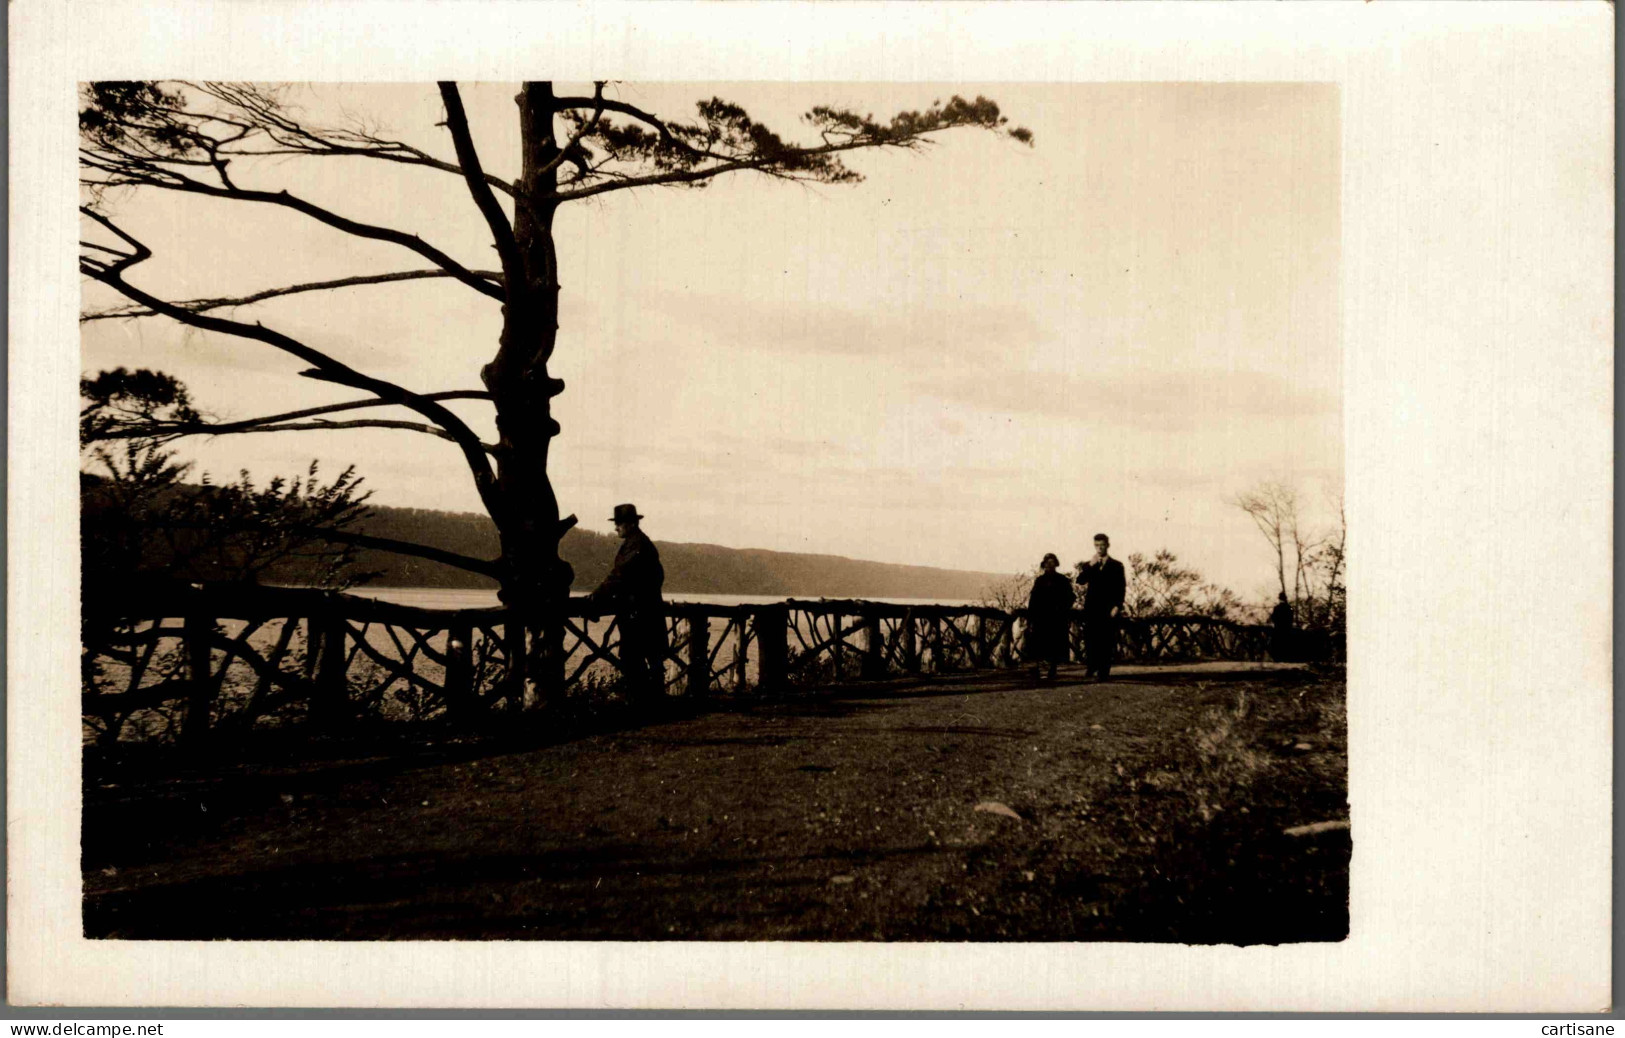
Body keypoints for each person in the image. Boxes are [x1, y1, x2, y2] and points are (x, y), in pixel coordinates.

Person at [583, 503, 669, 703]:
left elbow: (619, 575)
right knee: (651, 656)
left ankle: (643, 703)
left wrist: (596, 596)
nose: (616, 528)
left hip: (637, 612)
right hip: (646, 608)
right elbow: (656, 576)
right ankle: (653, 702)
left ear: (630, 524)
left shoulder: (636, 545)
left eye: (619, 524)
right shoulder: (641, 543)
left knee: (633, 657)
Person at [1074, 533, 1126, 680]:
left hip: (1108, 609)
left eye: (1102, 545)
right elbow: (1081, 580)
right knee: (1091, 639)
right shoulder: (1089, 565)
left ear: (1107, 545)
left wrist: (1117, 606)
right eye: (1096, 545)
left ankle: (1104, 671)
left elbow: (1121, 588)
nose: (1099, 548)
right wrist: (1091, 565)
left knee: (1106, 640)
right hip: (1092, 608)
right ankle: (1092, 666)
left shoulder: (1116, 566)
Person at [1024, 553, 1076, 681]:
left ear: (1056, 564)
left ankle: (1052, 670)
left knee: (1054, 645)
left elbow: (1071, 597)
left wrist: (1062, 609)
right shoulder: (1039, 580)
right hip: (1040, 618)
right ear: (1044, 565)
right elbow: (1033, 600)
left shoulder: (1062, 580)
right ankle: (1035, 670)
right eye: (1047, 563)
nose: (1049, 565)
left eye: (1052, 562)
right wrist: (1030, 618)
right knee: (1037, 645)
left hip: (1056, 618)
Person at [1269, 592, 1296, 662]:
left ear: (1279, 599)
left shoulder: (1277, 608)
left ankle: (1277, 658)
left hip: (1278, 630)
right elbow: (1291, 619)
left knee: (1276, 644)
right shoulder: (1290, 608)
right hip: (1288, 630)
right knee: (1287, 644)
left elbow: (1273, 618)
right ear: (1285, 598)